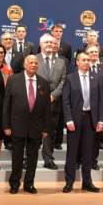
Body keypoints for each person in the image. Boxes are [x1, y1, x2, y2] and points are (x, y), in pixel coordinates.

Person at [3, 54, 50, 194]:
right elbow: (7, 105)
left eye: (36, 63)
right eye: (30, 62)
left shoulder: (44, 83)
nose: (34, 65)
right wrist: (6, 125)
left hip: (36, 127)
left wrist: (46, 128)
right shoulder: (13, 80)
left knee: (33, 157)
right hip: (17, 125)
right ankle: (14, 184)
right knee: (17, 157)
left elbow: (47, 108)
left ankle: (29, 184)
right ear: (24, 65)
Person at [62, 52, 103, 193]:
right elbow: (65, 101)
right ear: (77, 62)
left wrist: (100, 120)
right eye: (84, 60)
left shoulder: (96, 78)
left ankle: (87, 182)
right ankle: (69, 182)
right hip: (75, 119)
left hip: (90, 119)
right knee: (72, 152)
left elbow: (100, 101)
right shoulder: (70, 78)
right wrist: (68, 119)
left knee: (88, 153)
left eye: (88, 60)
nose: (87, 62)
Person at [36, 34, 66, 170]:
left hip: (54, 102)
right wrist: (41, 96)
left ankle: (48, 158)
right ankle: (28, 158)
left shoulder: (61, 62)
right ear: (41, 44)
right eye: (46, 42)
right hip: (36, 100)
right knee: (33, 131)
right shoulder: (34, 59)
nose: (49, 44)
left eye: (51, 42)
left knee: (50, 132)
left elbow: (63, 80)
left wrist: (54, 95)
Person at [86, 43, 103, 162]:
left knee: (96, 136)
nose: (94, 54)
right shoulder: (83, 67)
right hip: (85, 108)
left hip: (99, 108)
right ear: (87, 54)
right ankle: (81, 159)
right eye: (91, 52)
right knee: (84, 137)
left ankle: (93, 160)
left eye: (96, 52)